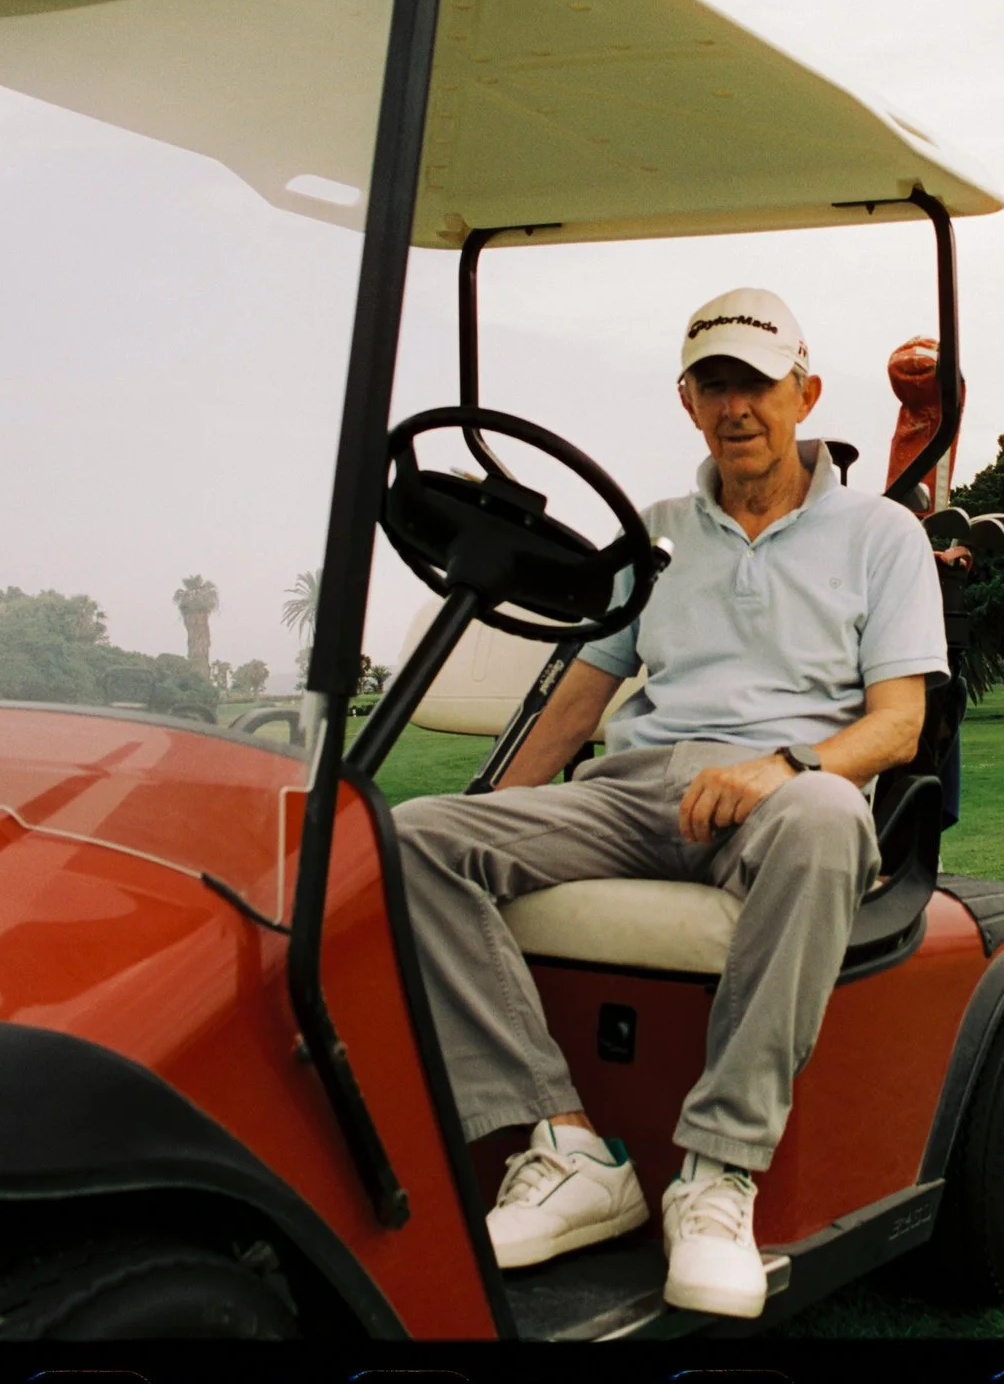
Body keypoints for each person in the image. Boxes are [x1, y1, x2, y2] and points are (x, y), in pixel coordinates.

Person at [390, 286, 948, 1321]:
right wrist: (495, 819)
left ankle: (716, 1175)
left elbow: (897, 726)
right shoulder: (652, 536)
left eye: (758, 385)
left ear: (804, 393)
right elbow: (576, 704)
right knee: (416, 840)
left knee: (830, 815)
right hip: (639, 790)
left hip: (784, 797)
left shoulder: (879, 535)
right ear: (688, 403)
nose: (737, 407)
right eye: (714, 385)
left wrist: (786, 767)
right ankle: (563, 1144)